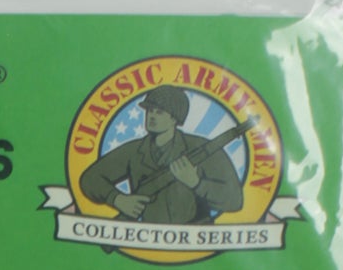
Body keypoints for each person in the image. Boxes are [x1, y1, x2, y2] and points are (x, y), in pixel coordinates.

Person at [78, 83, 243, 225]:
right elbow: (90, 179)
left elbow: (235, 200)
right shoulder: (134, 150)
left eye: (159, 112)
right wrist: (117, 199)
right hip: (149, 236)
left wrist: (197, 184)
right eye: (150, 110)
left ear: (175, 118)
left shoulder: (202, 149)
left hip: (196, 237)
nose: (151, 116)